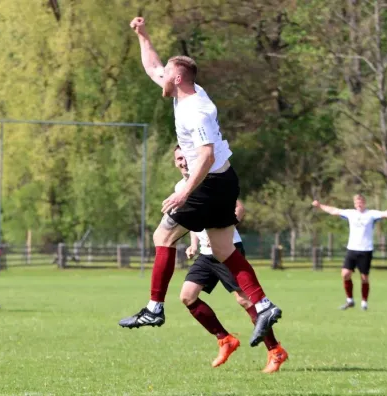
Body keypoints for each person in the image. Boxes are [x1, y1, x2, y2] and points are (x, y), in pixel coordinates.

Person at [120, 16, 282, 349]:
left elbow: (206, 156)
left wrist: (185, 193)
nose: (160, 74)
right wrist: (143, 35)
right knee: (224, 249)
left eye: (167, 71)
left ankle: (154, 308)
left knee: (163, 234)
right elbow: (152, 68)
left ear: (177, 77)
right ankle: (264, 305)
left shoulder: (198, 110)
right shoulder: (183, 93)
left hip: (208, 182)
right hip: (225, 179)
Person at [173, 146, 288, 372]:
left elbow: (240, 208)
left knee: (245, 301)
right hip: (206, 255)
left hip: (227, 250)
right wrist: (194, 244)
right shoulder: (180, 188)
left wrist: (223, 231)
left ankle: (276, 351)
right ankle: (225, 340)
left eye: (186, 157)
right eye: (179, 158)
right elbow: (194, 221)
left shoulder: (208, 178)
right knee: (187, 297)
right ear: (175, 162)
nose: (183, 162)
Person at [312, 195, 387, 310]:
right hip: (352, 249)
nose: (359, 204)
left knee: (364, 277)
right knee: (345, 274)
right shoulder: (350, 213)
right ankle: (350, 300)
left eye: (360, 202)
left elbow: (386, 213)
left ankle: (364, 302)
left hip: (365, 250)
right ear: (354, 204)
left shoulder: (371, 214)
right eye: (356, 202)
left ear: (364, 203)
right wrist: (320, 205)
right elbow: (333, 211)